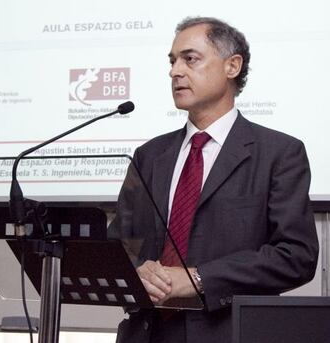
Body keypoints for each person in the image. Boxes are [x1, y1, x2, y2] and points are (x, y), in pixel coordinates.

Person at [109, 16, 319, 343]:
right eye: (172, 61)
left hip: (229, 332)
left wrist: (198, 278)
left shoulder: (280, 153)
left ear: (232, 66)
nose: (175, 71)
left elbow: (296, 256)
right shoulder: (149, 155)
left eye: (189, 59)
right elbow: (120, 242)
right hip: (147, 333)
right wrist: (138, 270)